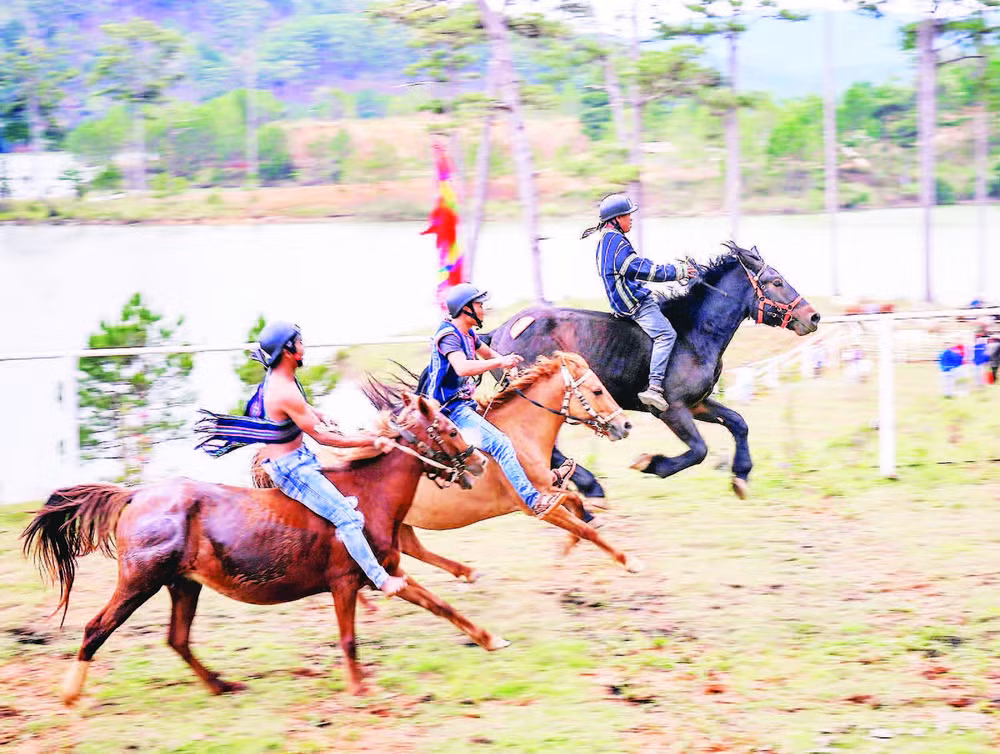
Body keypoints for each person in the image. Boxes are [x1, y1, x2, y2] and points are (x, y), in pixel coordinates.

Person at [195, 321, 408, 597]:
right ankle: (382, 580)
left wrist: (319, 415)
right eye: (300, 342)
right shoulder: (284, 389)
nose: (304, 347)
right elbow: (326, 439)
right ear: (287, 351)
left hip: (301, 457)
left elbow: (301, 410)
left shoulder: (282, 378)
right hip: (292, 469)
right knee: (349, 519)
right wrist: (372, 440)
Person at [425, 283, 576, 520]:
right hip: (450, 411)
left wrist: (509, 366)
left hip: (465, 405)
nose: (483, 309)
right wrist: (500, 363)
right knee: (502, 444)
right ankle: (533, 500)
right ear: (467, 310)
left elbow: (489, 354)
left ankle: (545, 478)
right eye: (479, 305)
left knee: (513, 432)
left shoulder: (468, 333)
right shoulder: (449, 337)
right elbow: (462, 367)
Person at [582, 193, 697, 412]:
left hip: (620, 304)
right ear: (615, 220)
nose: (631, 218)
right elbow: (643, 269)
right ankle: (654, 387)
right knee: (666, 334)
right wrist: (678, 271)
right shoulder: (616, 242)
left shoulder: (605, 241)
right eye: (627, 215)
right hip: (634, 304)